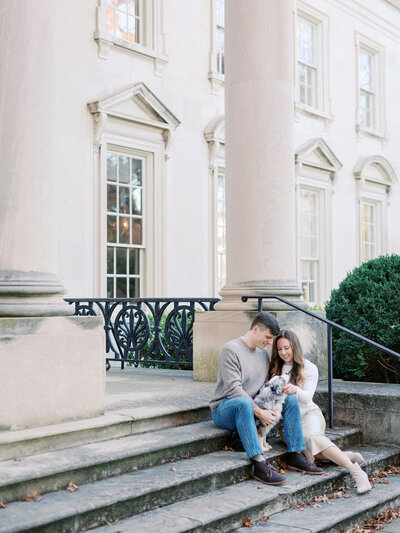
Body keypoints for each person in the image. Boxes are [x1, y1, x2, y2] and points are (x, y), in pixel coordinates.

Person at [210, 312, 324, 486]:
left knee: (290, 398)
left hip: (256, 407)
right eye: (268, 337)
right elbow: (233, 390)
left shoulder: (262, 353)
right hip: (226, 409)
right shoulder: (230, 349)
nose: (271, 343)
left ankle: (295, 454)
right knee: (243, 403)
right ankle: (259, 464)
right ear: (256, 329)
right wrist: (259, 412)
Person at [267, 329, 371, 494]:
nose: (283, 353)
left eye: (286, 348)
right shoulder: (275, 368)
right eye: (279, 349)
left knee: (312, 438)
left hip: (309, 415)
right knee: (306, 448)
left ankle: (356, 472)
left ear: (294, 346)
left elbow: (307, 398)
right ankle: (344, 455)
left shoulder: (309, 368)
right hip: (287, 424)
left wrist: (295, 390)